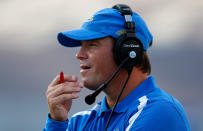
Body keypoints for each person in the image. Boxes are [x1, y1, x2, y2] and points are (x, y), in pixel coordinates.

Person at [44, 4, 190, 131]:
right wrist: (56, 123)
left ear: (126, 50)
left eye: (91, 45)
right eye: (81, 46)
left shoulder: (160, 111)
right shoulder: (79, 122)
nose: (79, 55)